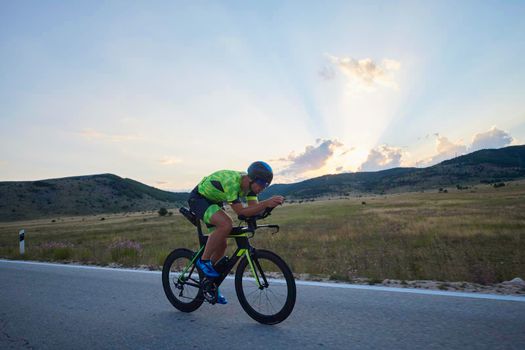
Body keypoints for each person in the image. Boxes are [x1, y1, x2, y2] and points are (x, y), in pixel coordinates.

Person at [188, 161, 284, 304]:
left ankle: (208, 284)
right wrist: (265, 203)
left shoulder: (251, 189)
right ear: (252, 179)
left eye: (266, 185)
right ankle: (203, 261)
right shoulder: (233, 182)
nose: (263, 189)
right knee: (226, 224)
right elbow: (240, 212)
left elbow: (253, 210)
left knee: (222, 245)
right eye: (262, 184)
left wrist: (269, 208)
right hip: (199, 199)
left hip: (214, 202)